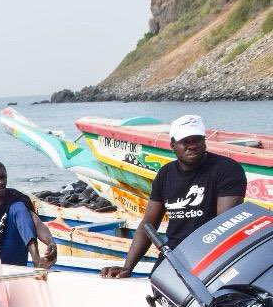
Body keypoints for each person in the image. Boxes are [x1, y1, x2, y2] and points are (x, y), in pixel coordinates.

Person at [101, 115, 246, 279]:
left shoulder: (226, 169)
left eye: (197, 140)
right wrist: (128, 267)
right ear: (172, 145)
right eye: (185, 141)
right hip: (174, 254)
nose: (192, 146)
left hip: (211, 255)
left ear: (204, 141)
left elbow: (226, 226)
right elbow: (149, 223)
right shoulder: (165, 174)